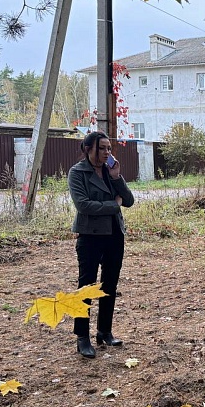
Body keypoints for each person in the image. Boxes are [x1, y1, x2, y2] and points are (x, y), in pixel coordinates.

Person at [67, 131, 135, 359]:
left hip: (114, 235)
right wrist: (114, 205)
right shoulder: (77, 173)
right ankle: (82, 337)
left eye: (109, 148)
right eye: (102, 148)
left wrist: (117, 178)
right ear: (88, 149)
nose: (107, 152)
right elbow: (83, 205)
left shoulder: (110, 172)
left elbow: (129, 201)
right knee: (86, 287)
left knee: (109, 285)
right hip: (90, 236)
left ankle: (104, 331)